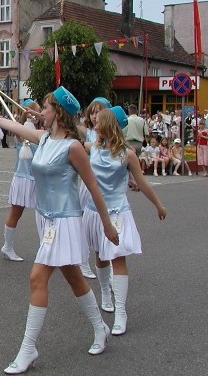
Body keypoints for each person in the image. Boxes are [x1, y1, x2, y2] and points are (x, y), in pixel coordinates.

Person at [0, 86, 118, 375]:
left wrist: (106, 224)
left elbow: (92, 186)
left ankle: (28, 348)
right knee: (74, 277)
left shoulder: (73, 147)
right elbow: (17, 125)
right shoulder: (44, 139)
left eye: (45, 107)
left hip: (66, 221)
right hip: (47, 220)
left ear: (58, 112)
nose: (41, 112)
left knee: (37, 277)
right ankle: (100, 327)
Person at [83, 107, 166, 336]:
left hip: (118, 212)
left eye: (98, 122)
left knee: (118, 259)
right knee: (100, 256)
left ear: (109, 124)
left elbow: (142, 183)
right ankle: (105, 294)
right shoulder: (93, 148)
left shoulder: (127, 154)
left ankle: (121, 312)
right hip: (95, 211)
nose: (94, 125)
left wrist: (158, 205)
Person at [0, 100, 41, 262]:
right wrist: (23, 118)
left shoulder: (40, 133)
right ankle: (7, 246)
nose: (33, 117)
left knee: (44, 215)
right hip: (22, 178)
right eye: (31, 113)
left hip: (38, 180)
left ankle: (46, 248)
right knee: (16, 213)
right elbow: (17, 131)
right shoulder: (21, 135)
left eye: (35, 113)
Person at [77, 96, 111, 279]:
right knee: (84, 222)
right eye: (93, 112)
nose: (95, 116)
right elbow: (73, 129)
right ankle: (83, 260)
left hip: (106, 186)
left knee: (105, 222)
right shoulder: (86, 132)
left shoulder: (110, 135)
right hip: (88, 182)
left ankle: (105, 260)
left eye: (99, 112)